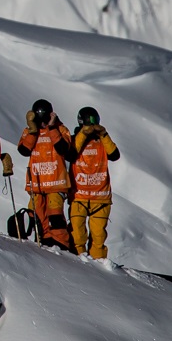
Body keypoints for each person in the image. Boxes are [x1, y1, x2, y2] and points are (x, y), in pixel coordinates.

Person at [18, 99, 76, 250]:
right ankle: (43, 243)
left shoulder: (60, 129)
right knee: (37, 217)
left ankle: (61, 245)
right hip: (36, 184)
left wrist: (52, 127)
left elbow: (64, 148)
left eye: (45, 120)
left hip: (56, 183)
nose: (42, 124)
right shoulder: (30, 130)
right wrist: (32, 130)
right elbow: (24, 150)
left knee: (55, 216)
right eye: (40, 120)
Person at [70, 106, 120, 259]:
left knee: (98, 238)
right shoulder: (74, 139)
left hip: (101, 198)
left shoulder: (102, 141)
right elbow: (70, 154)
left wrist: (104, 134)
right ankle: (77, 263)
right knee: (77, 236)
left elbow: (114, 155)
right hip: (79, 196)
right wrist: (82, 135)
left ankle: (98, 268)